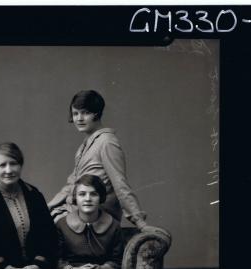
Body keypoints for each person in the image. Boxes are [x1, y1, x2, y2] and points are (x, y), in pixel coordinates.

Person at [48, 90, 164, 237]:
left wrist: (140, 222)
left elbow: (120, 184)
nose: (79, 118)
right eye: (75, 113)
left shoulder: (107, 143)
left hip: (96, 217)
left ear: (96, 113)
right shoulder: (85, 146)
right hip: (77, 211)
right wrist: (47, 206)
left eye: (85, 113)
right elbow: (71, 184)